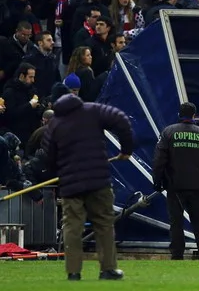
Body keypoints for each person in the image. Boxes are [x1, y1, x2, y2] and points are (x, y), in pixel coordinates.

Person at [42, 93, 133, 281]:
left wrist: (59, 175)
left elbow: (48, 156)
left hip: (70, 184)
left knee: (72, 227)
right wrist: (126, 149)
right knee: (104, 224)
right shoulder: (93, 110)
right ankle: (108, 269)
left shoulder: (54, 124)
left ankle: (73, 272)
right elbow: (122, 119)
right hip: (97, 180)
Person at [153, 102, 199, 260]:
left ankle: (177, 254)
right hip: (196, 185)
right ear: (194, 115)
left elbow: (159, 160)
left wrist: (158, 180)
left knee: (176, 221)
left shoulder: (168, 132)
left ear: (179, 114)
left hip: (174, 184)